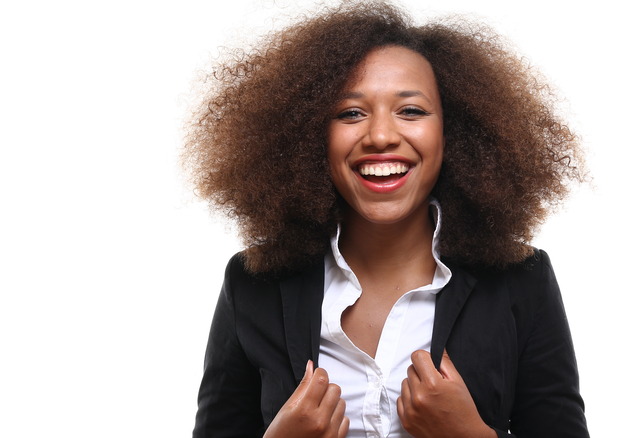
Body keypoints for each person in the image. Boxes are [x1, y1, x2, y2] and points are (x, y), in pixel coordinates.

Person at [185, 1, 589, 437]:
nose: (380, 135)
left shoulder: (520, 280)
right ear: (307, 133)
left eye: (411, 111)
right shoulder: (254, 283)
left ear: (456, 132)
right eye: (350, 113)